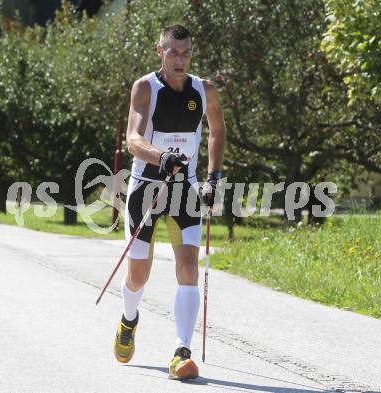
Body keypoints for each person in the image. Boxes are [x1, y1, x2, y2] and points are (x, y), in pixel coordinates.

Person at [114, 24, 225, 380]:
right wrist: (159, 156)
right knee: (138, 275)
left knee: (189, 267)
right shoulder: (146, 88)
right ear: (159, 51)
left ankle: (181, 351)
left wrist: (214, 177)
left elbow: (218, 130)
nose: (180, 60)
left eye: (186, 53)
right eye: (173, 52)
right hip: (146, 186)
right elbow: (133, 139)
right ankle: (129, 318)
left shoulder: (203, 90)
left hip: (185, 188)